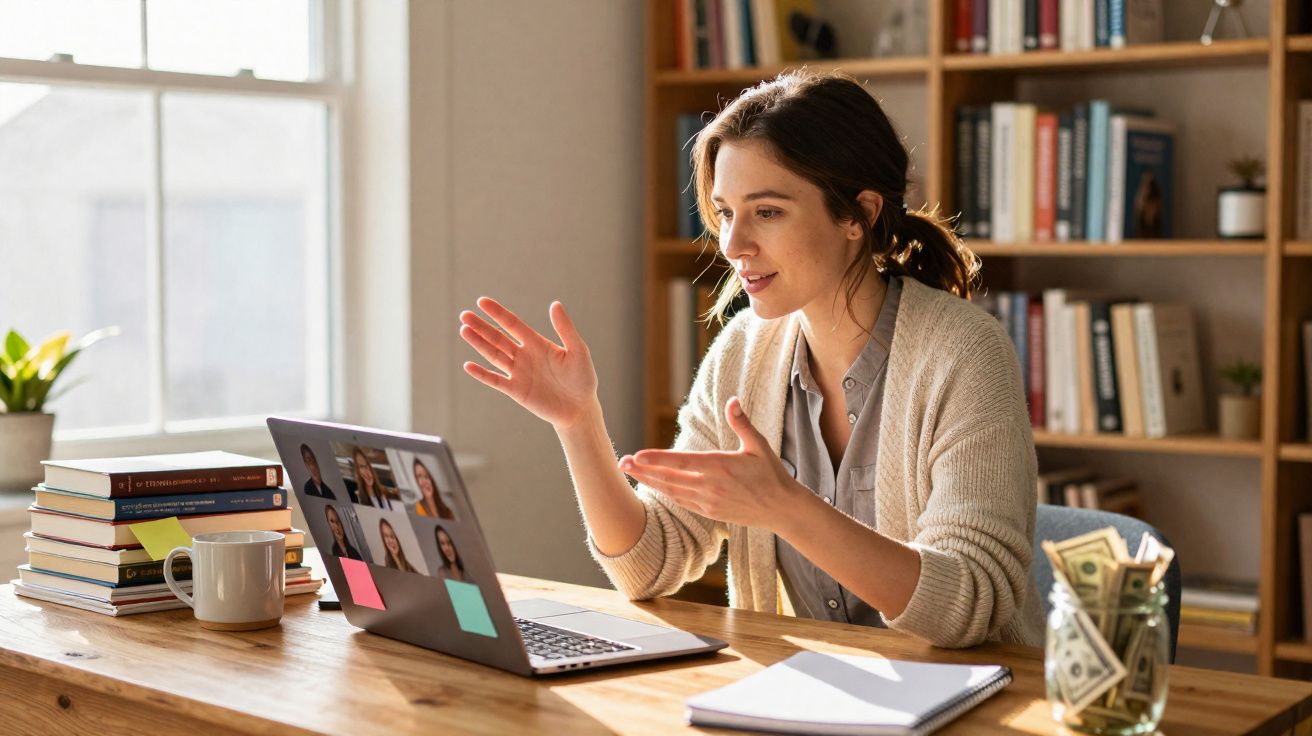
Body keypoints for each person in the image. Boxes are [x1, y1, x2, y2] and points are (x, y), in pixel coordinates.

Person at [456, 70, 1042, 649]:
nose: (733, 245)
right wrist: (578, 423)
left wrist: (786, 508)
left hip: (977, 703)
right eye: (725, 212)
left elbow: (969, 602)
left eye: (767, 212)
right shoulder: (742, 351)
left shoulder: (965, 354)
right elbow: (648, 565)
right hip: (813, 696)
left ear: (857, 215)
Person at [351, 446, 394, 510]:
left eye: (367, 465)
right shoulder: (358, 498)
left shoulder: (383, 491)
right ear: (357, 471)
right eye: (362, 466)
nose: (367, 471)